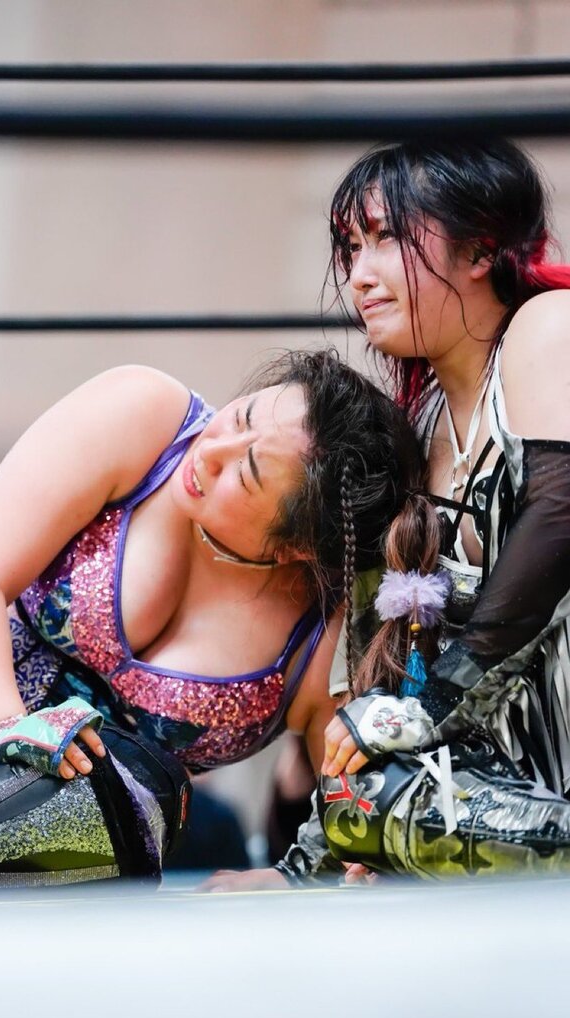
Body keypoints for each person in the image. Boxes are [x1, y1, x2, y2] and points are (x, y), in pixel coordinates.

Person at [0, 349, 422, 899]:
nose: (212, 450)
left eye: (245, 474)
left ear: (296, 548)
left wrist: (294, 878)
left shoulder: (320, 642)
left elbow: (354, 812)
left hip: (8, 881)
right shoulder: (146, 417)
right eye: (242, 416)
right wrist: (3, 729)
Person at [205, 136, 570, 890]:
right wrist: (309, 868)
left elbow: (561, 515)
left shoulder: (548, 328)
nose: (358, 276)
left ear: (481, 249)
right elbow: (382, 655)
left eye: (385, 239)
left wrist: (429, 705)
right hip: (509, 787)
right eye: (351, 248)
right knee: (357, 796)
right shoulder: (418, 427)